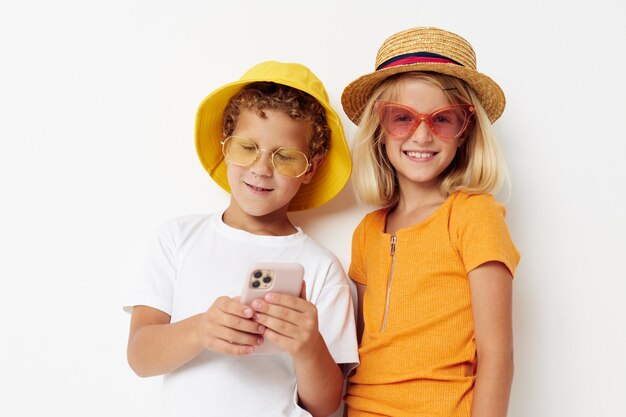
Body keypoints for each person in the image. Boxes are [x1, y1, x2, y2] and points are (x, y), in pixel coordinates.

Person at [124, 61, 358, 417]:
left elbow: (326, 405)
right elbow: (140, 357)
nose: (262, 169)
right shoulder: (177, 238)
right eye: (247, 148)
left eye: (286, 157)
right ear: (225, 147)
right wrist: (201, 330)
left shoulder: (322, 268)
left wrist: (309, 346)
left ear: (311, 167)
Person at [340, 27, 521, 417]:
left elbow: (497, 354)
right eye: (402, 117)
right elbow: (352, 351)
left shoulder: (473, 215)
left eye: (442, 119)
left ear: (466, 130)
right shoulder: (367, 231)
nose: (421, 135)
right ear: (379, 128)